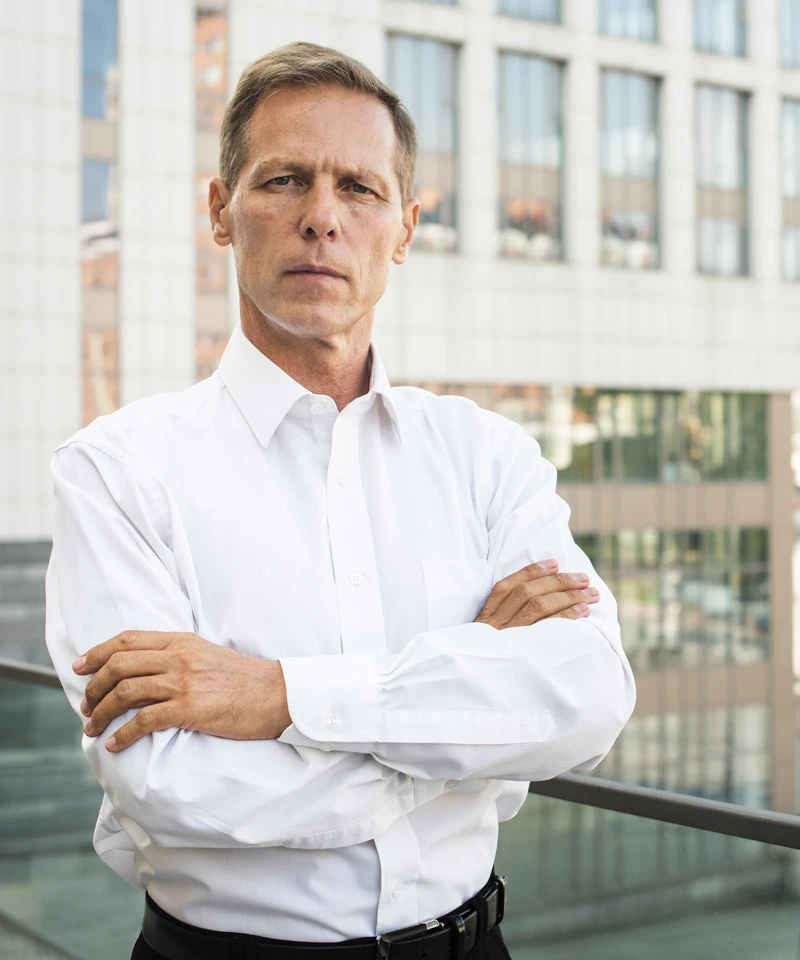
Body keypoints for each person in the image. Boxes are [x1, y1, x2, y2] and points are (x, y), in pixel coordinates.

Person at [45, 42, 635, 960]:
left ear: (403, 228)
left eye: (359, 188)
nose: (322, 217)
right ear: (221, 212)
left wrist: (279, 696)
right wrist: (465, 749)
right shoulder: (117, 473)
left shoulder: (487, 456)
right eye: (284, 180)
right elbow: (166, 785)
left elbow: (590, 697)